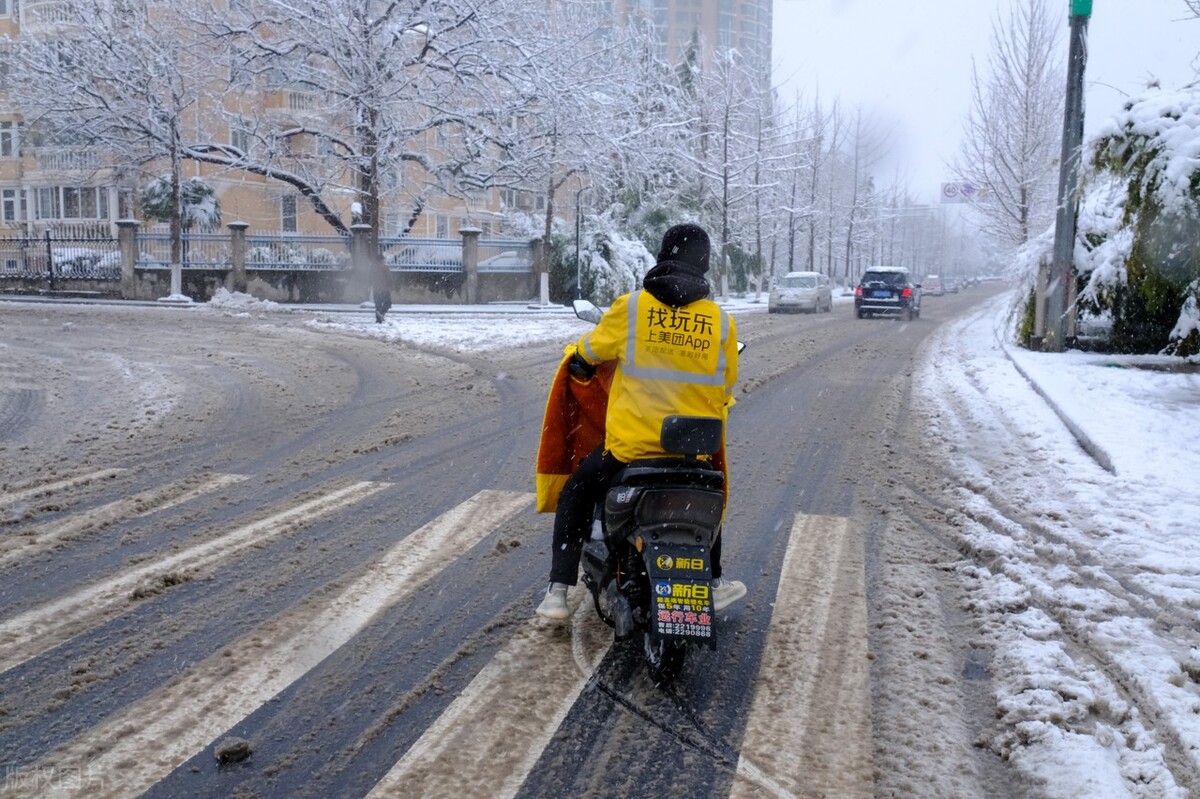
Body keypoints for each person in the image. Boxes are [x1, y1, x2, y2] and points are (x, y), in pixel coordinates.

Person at [536, 222, 747, 620]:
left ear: (663, 255)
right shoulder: (721, 323)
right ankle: (713, 581)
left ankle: (558, 592)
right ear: (703, 264)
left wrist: (581, 357)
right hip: (691, 451)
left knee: (576, 492)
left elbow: (590, 350)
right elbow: (726, 386)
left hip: (630, 451)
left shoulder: (631, 307)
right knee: (705, 500)